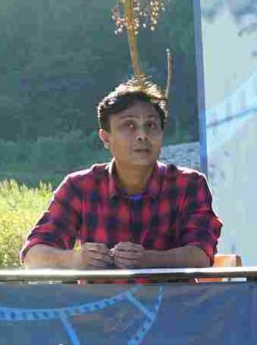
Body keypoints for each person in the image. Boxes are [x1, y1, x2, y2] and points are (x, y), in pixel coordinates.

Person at [21, 80, 222, 269]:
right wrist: (76, 258)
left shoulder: (189, 184)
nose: (142, 135)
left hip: (169, 305)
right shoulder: (79, 187)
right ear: (105, 138)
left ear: (162, 133)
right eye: (129, 125)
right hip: (100, 305)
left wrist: (148, 260)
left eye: (151, 125)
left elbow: (200, 255)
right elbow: (33, 255)